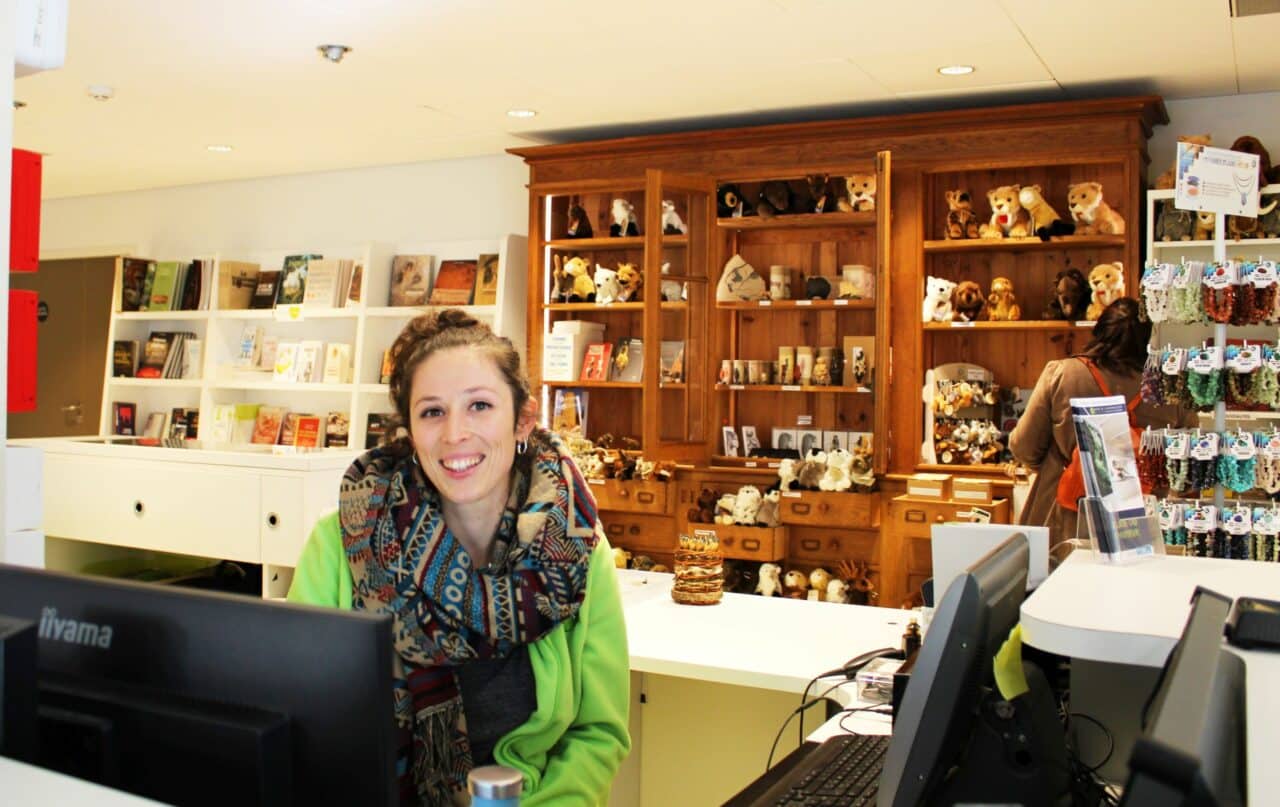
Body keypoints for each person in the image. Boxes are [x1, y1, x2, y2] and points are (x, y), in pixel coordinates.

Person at [288, 309, 630, 805]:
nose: (455, 434)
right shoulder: (343, 541)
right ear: (409, 429)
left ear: (524, 419)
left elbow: (598, 734)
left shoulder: (575, 549)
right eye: (432, 412)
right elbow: (304, 719)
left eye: (479, 406)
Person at [1008, 297, 1196, 549]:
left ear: (1100, 329)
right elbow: (1188, 469)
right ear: (1147, 338)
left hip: (1066, 514)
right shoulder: (1171, 388)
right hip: (1141, 519)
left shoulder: (1063, 373)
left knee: (1059, 582)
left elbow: (1023, 447)